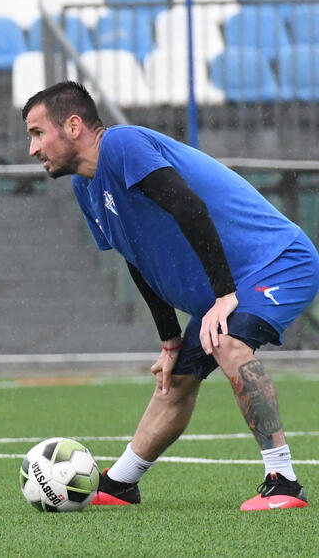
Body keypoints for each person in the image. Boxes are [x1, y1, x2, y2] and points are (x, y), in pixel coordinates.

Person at [22, 81, 316, 511]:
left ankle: (284, 480)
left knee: (229, 343)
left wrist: (223, 296)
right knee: (176, 376)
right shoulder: (85, 188)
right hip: (233, 285)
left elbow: (188, 207)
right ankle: (121, 482)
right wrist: (170, 338)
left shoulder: (122, 144)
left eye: (36, 133)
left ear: (72, 126)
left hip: (279, 262)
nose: (32, 149)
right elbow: (135, 257)